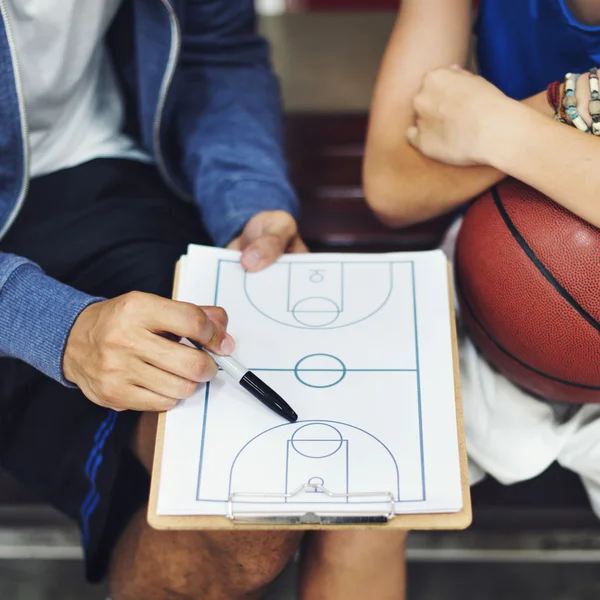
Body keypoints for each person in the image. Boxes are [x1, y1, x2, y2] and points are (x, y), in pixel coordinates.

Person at [0, 2, 408, 599]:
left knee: (249, 497)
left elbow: (214, 50)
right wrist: (56, 327)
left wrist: (249, 202)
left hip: (112, 184)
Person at [364, 0, 600, 592]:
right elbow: (391, 183)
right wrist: (556, 106)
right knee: (360, 485)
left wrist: (503, 131)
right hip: (498, 292)